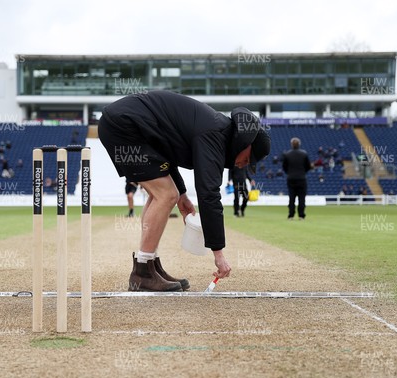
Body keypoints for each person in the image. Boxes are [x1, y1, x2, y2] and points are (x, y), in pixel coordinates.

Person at [98, 90, 270, 291]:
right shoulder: (215, 134)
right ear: (245, 143)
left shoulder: (216, 130)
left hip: (129, 124)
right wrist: (218, 254)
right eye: (248, 159)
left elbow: (166, 154)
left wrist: (181, 194)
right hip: (124, 126)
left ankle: (148, 264)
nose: (242, 166)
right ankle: (143, 271)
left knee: (162, 194)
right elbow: (209, 194)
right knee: (165, 194)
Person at [281, 137, 312, 220]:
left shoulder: (287, 154)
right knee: (302, 198)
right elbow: (308, 166)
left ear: (291, 145)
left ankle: (291, 215)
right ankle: (301, 215)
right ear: (299, 144)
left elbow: (284, 167)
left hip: (291, 178)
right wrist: (302, 172)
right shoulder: (304, 154)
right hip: (301, 178)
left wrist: (289, 173)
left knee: (292, 198)